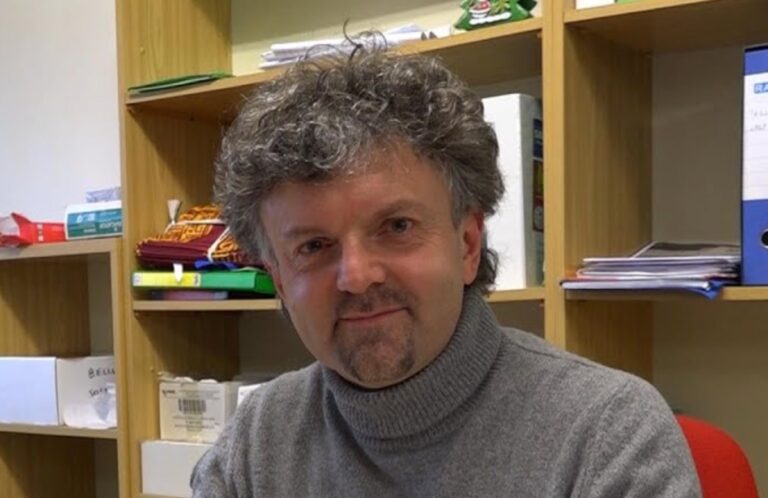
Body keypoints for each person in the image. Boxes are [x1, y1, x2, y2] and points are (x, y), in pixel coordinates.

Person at [192, 43, 701, 497]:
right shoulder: (257, 442)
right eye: (314, 246)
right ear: (280, 280)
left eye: (397, 226)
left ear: (468, 244)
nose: (357, 275)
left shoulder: (606, 434)